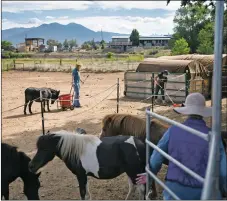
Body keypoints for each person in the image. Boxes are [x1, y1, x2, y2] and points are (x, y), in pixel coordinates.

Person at [136, 93, 227, 200]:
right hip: (203, 190)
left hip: (174, 190)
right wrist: (222, 189)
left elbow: (156, 157)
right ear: (203, 112)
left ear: (186, 111)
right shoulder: (214, 137)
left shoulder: (172, 131)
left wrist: (149, 175)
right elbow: (222, 170)